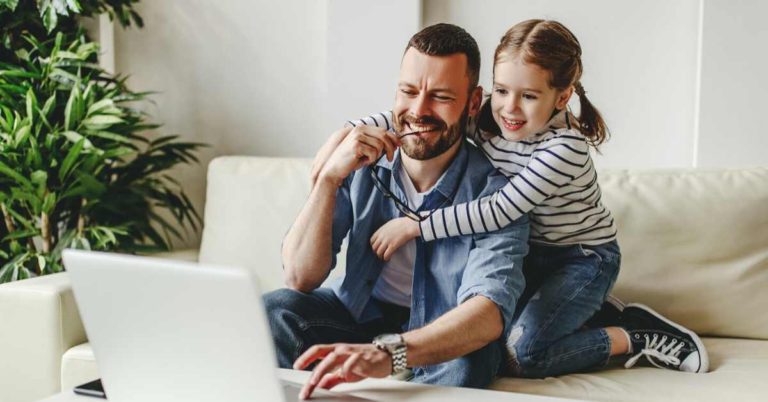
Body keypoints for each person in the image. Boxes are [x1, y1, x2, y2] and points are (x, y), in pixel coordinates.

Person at [336, 19, 708, 377]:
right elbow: (419, 118)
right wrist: (349, 134)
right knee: (481, 335)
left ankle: (630, 334)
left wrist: (416, 226)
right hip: (530, 253)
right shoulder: (489, 121)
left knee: (523, 354)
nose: (509, 109)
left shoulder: (564, 148)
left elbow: (500, 209)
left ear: (562, 96)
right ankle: (587, 312)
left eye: (529, 96)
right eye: (501, 91)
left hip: (580, 259)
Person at [270, 23, 529, 400]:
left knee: (472, 358)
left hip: (441, 331)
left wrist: (391, 353)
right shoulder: (360, 160)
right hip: (359, 314)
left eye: (440, 97)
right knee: (278, 308)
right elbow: (300, 277)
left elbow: (487, 312)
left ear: (473, 103)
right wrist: (327, 179)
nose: (418, 110)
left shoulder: (500, 194)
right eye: (408, 92)